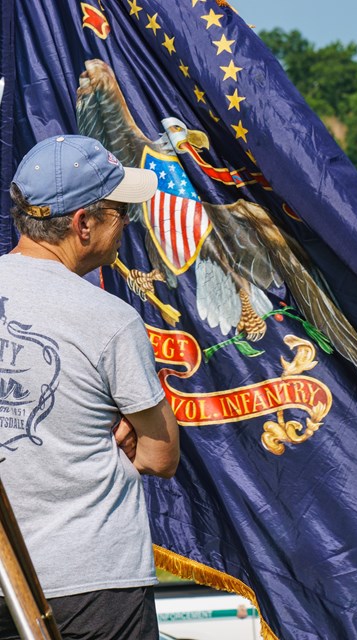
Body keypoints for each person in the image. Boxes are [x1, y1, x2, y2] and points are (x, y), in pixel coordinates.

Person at [0, 134, 180, 639]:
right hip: (92, 587)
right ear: (84, 224)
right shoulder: (110, 319)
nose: (128, 226)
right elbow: (159, 457)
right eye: (122, 212)